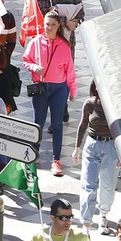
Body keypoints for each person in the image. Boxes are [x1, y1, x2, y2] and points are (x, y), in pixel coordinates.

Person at [23, 12, 77, 176]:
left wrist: (73, 90)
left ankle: (56, 160)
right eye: (47, 24)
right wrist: (34, 68)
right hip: (40, 87)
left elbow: (70, 71)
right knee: (37, 122)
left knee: (57, 125)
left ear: (58, 26)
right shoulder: (36, 43)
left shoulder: (64, 46)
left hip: (59, 89)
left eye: (53, 24)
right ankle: (34, 153)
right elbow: (26, 60)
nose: (49, 27)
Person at [73, 83, 119, 232]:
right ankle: (86, 224)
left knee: (108, 184)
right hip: (92, 144)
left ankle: (104, 216)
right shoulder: (90, 103)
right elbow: (83, 125)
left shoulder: (115, 104)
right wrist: (77, 148)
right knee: (88, 185)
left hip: (111, 146)